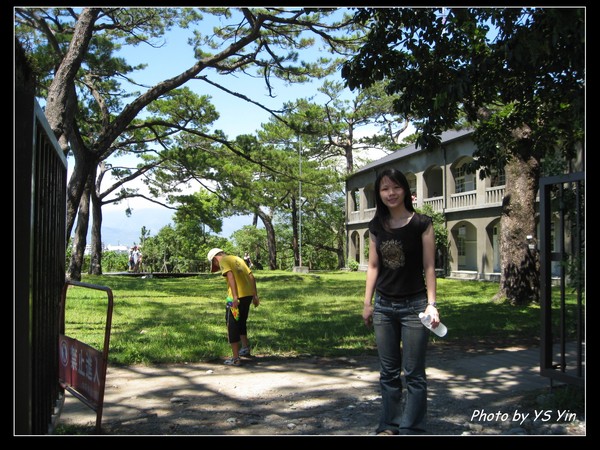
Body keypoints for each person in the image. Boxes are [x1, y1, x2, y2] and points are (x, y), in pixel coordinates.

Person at [362, 167, 440, 435]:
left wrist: (432, 303)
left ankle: (412, 428)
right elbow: (373, 266)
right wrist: (367, 302)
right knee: (388, 372)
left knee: (415, 373)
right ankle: (389, 424)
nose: (390, 193)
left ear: (405, 190)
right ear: (379, 194)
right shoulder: (376, 226)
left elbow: (429, 266)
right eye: (384, 189)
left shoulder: (422, 223)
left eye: (395, 187)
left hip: (415, 306)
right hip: (384, 306)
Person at [207, 248, 260, 366]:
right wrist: (255, 295)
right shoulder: (238, 259)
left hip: (234, 299)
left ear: (215, 258)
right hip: (247, 295)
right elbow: (251, 275)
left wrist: (235, 297)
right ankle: (245, 348)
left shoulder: (223, 261)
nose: (216, 265)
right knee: (241, 322)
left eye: (214, 263)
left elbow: (230, 276)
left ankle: (235, 358)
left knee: (231, 325)